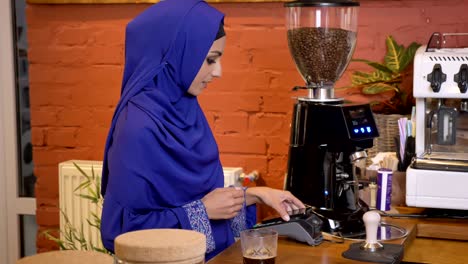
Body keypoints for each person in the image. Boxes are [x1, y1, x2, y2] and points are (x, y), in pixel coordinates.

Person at [100, 0, 305, 260]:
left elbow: (203, 201)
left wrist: (254, 195)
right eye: (210, 60)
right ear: (174, 55)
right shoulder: (138, 128)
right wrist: (202, 211)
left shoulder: (185, 110)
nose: (218, 72)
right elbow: (119, 232)